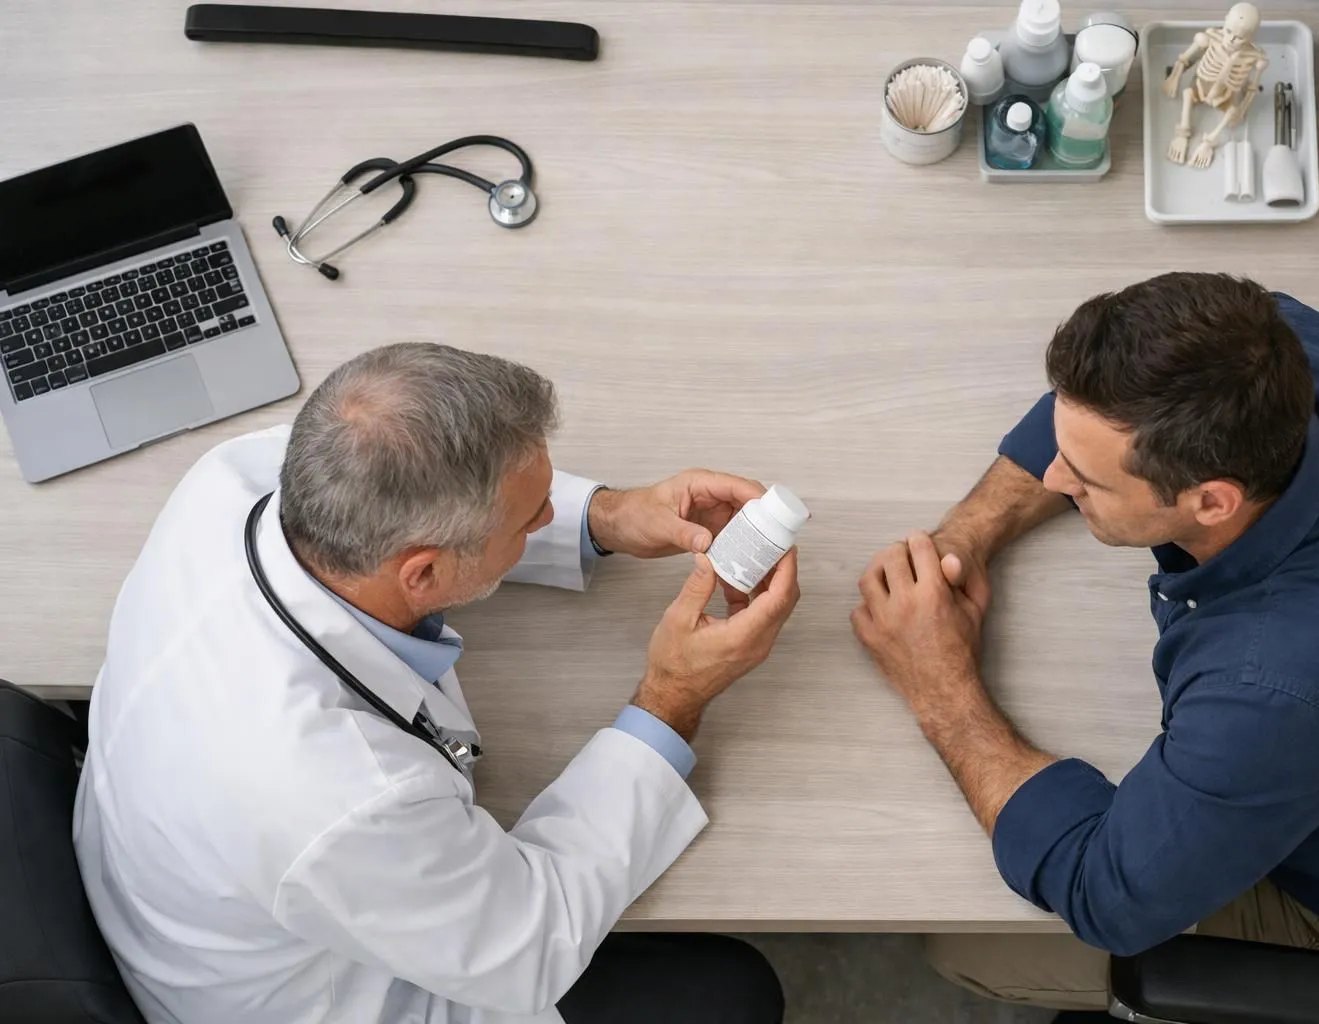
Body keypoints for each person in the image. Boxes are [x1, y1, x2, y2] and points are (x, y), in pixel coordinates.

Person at [851, 273, 1319, 1013]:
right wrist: (966, 538)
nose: (1051, 477)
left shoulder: (1280, 686)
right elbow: (1097, 407)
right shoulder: (1267, 344)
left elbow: (1106, 891)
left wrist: (938, 683)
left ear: (1212, 501)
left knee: (960, 943)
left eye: (1081, 479)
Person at [74, 342, 800, 1024]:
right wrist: (671, 698)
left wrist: (606, 515)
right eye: (531, 517)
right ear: (422, 574)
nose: (548, 517)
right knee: (733, 991)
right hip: (294, 997)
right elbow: (532, 941)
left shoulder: (236, 477)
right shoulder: (340, 796)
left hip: (172, 881)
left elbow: (433, 510)